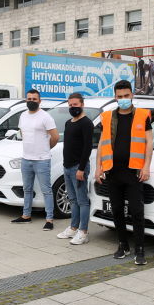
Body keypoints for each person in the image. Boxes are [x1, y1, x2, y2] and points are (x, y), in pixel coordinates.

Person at [95, 80, 154, 265]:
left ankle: (140, 249)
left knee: (136, 211)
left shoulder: (143, 115)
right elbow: (101, 144)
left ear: (132, 95)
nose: (123, 99)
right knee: (117, 211)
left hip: (134, 172)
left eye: (126, 96)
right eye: (119, 97)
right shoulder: (107, 117)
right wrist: (98, 167)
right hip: (112, 171)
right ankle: (123, 245)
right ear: (115, 97)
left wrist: (146, 166)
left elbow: (149, 142)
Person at [11, 89, 59, 230]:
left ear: (40, 101)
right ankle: (26, 216)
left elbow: (55, 137)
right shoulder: (22, 116)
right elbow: (24, 134)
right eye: (29, 99)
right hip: (26, 159)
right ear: (26, 100)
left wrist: (45, 148)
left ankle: (49, 219)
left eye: (34, 99)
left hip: (42, 159)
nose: (31, 101)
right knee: (27, 189)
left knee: (46, 190)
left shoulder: (45, 117)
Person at [57, 92, 94, 245]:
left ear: (82, 104)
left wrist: (81, 168)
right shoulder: (68, 123)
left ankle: (83, 232)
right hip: (67, 167)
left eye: (76, 105)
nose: (73, 108)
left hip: (79, 168)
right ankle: (73, 227)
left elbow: (87, 148)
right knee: (72, 199)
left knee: (82, 200)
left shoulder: (86, 123)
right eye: (70, 105)